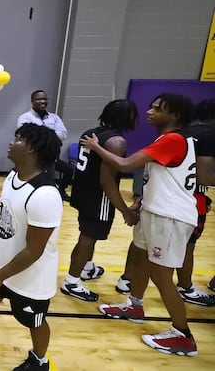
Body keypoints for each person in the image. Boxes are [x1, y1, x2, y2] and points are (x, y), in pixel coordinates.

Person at [80, 93, 198, 356]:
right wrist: (143, 200)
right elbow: (166, 179)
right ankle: (134, 305)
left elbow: (122, 163)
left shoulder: (173, 139)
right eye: (151, 106)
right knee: (141, 260)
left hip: (170, 217)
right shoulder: (170, 140)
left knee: (161, 275)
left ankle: (182, 335)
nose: (149, 111)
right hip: (154, 210)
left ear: (175, 115)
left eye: (158, 109)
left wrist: (96, 146)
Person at [0, 123, 63, 371]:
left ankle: (39, 360)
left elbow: (34, 250)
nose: (10, 143)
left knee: (34, 320)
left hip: (29, 275)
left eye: (18, 140)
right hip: (0, 261)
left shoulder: (45, 195)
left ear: (32, 150)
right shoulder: (14, 175)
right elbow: (10, 206)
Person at [61, 100, 140, 302]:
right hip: (98, 197)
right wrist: (125, 210)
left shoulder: (90, 132)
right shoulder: (117, 142)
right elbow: (107, 181)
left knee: (88, 235)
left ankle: (86, 268)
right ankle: (71, 282)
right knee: (87, 238)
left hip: (82, 193)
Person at [173, 99, 215, 306]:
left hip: (167, 196)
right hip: (190, 202)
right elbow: (204, 177)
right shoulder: (209, 136)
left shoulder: (180, 132)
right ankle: (186, 287)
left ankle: (128, 281)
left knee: (148, 246)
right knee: (188, 246)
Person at [17, 90, 73, 200]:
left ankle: (61, 190)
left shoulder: (54, 118)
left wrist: (42, 134)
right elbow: (26, 137)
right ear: (32, 101)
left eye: (44, 99)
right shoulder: (25, 118)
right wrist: (50, 135)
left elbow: (63, 134)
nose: (42, 101)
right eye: (39, 99)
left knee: (69, 170)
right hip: (34, 158)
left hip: (51, 158)